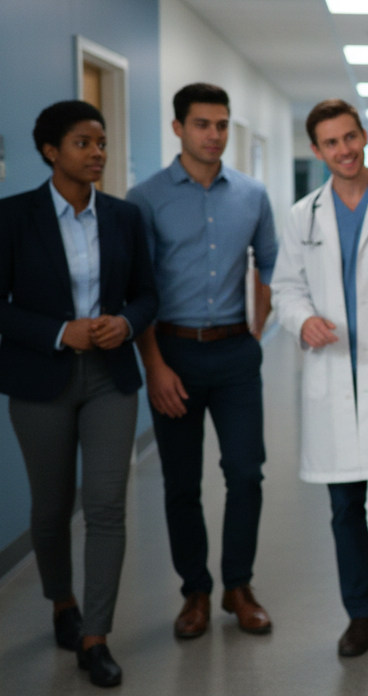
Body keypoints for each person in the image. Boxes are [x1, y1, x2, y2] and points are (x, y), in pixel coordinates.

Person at [0, 100, 158, 688]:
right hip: (38, 379)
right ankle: (62, 604)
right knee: (51, 508)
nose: (97, 152)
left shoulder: (124, 217)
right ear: (52, 151)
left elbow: (148, 294)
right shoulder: (12, 216)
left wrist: (124, 323)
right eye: (83, 142)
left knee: (105, 505)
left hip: (110, 378)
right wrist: (58, 331)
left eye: (101, 142)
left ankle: (95, 636)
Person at [270, 99, 368, 656]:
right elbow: (284, 287)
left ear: (363, 136)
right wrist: (300, 318)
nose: (344, 150)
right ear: (317, 150)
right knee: (343, 511)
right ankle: (359, 614)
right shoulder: (302, 215)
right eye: (331, 143)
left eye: (350, 137)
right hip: (332, 374)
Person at [127, 83, 279, 639]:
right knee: (180, 482)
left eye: (220, 125)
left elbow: (269, 265)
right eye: (201, 124)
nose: (213, 135)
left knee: (246, 473)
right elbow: (136, 289)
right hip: (173, 354)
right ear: (178, 129)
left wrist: (255, 332)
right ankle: (195, 590)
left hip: (236, 350)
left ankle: (238, 586)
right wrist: (154, 365)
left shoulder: (252, 194)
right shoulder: (144, 199)